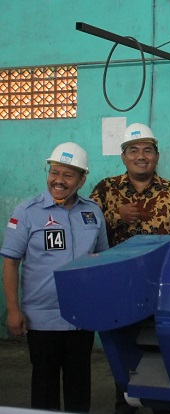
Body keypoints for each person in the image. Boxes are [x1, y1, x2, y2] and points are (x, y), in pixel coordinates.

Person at [1, 142, 109, 412]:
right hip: (42, 319)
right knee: (44, 386)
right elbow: (10, 262)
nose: (59, 180)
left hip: (82, 317)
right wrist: (13, 310)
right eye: (54, 172)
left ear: (82, 179)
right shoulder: (27, 213)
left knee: (79, 384)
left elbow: (104, 259)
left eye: (68, 175)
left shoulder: (93, 212)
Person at [90, 123, 170, 414]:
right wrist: (115, 216)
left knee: (163, 352)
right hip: (120, 288)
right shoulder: (106, 189)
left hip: (161, 289)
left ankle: (163, 406)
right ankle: (124, 406)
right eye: (134, 150)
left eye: (147, 150)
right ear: (123, 157)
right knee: (123, 351)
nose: (141, 156)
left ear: (157, 156)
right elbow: (86, 231)